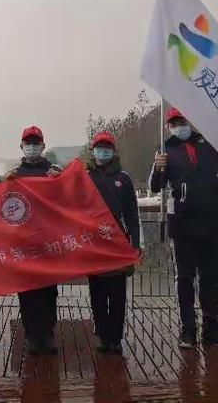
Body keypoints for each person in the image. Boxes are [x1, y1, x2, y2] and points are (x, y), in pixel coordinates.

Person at [150, 108, 218, 348]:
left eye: (182, 121)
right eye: (174, 122)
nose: (178, 125)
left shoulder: (209, 143)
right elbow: (156, 187)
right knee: (185, 279)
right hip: (182, 225)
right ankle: (188, 328)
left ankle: (212, 328)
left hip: (210, 222)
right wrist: (158, 168)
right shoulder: (165, 150)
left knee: (210, 278)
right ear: (168, 126)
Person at [3, 126, 60, 354]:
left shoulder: (54, 171)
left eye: (36, 143)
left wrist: (61, 180)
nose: (33, 146)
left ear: (43, 146)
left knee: (49, 290)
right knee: (27, 291)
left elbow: (69, 196)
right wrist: (2, 184)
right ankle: (31, 335)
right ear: (21, 147)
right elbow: (1, 202)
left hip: (49, 239)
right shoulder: (14, 173)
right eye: (28, 143)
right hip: (23, 240)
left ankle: (47, 334)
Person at [87, 131, 140, 354]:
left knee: (118, 295)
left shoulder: (124, 178)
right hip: (93, 245)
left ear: (113, 151)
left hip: (118, 245)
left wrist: (136, 243)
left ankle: (116, 337)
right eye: (99, 147)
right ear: (92, 150)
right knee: (97, 294)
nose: (103, 151)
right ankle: (102, 335)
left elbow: (132, 214)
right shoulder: (83, 176)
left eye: (107, 147)